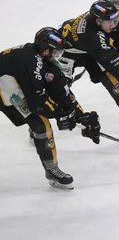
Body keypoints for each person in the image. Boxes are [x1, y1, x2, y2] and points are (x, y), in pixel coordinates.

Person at [0, 27, 101, 189]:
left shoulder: (47, 62)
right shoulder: (30, 61)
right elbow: (37, 102)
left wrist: (81, 116)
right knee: (41, 123)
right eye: (56, 52)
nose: (58, 56)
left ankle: (51, 169)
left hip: (12, 89)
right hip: (6, 88)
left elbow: (61, 91)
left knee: (41, 126)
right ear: (45, 49)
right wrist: (62, 114)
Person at [58, 0, 119, 132]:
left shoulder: (107, 21)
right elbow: (112, 61)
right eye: (110, 21)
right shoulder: (89, 35)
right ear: (98, 21)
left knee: (111, 78)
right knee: (60, 86)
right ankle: (41, 127)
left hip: (89, 50)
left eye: (115, 19)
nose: (114, 24)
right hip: (66, 53)